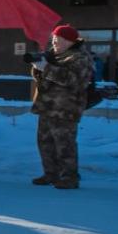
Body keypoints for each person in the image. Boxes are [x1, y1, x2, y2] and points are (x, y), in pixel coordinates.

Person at [28, 25, 93, 189]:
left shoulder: (80, 58)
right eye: (54, 39)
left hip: (66, 109)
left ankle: (69, 177)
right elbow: (44, 80)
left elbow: (71, 79)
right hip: (47, 106)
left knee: (64, 144)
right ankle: (51, 174)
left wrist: (47, 68)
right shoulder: (54, 55)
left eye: (58, 39)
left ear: (69, 41)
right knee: (45, 142)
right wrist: (37, 68)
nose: (54, 42)